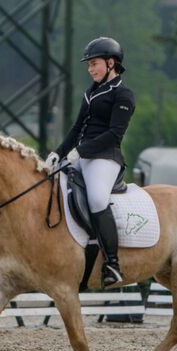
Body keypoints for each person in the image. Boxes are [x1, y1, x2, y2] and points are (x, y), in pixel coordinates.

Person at [46, 36, 135, 288]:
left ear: (110, 63)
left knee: (97, 198)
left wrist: (80, 151)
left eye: (94, 64)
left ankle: (112, 264)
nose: (90, 69)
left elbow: (114, 134)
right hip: (80, 156)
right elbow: (76, 128)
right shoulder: (91, 93)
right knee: (50, 187)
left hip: (105, 158)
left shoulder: (123, 95)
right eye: (88, 65)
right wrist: (59, 152)